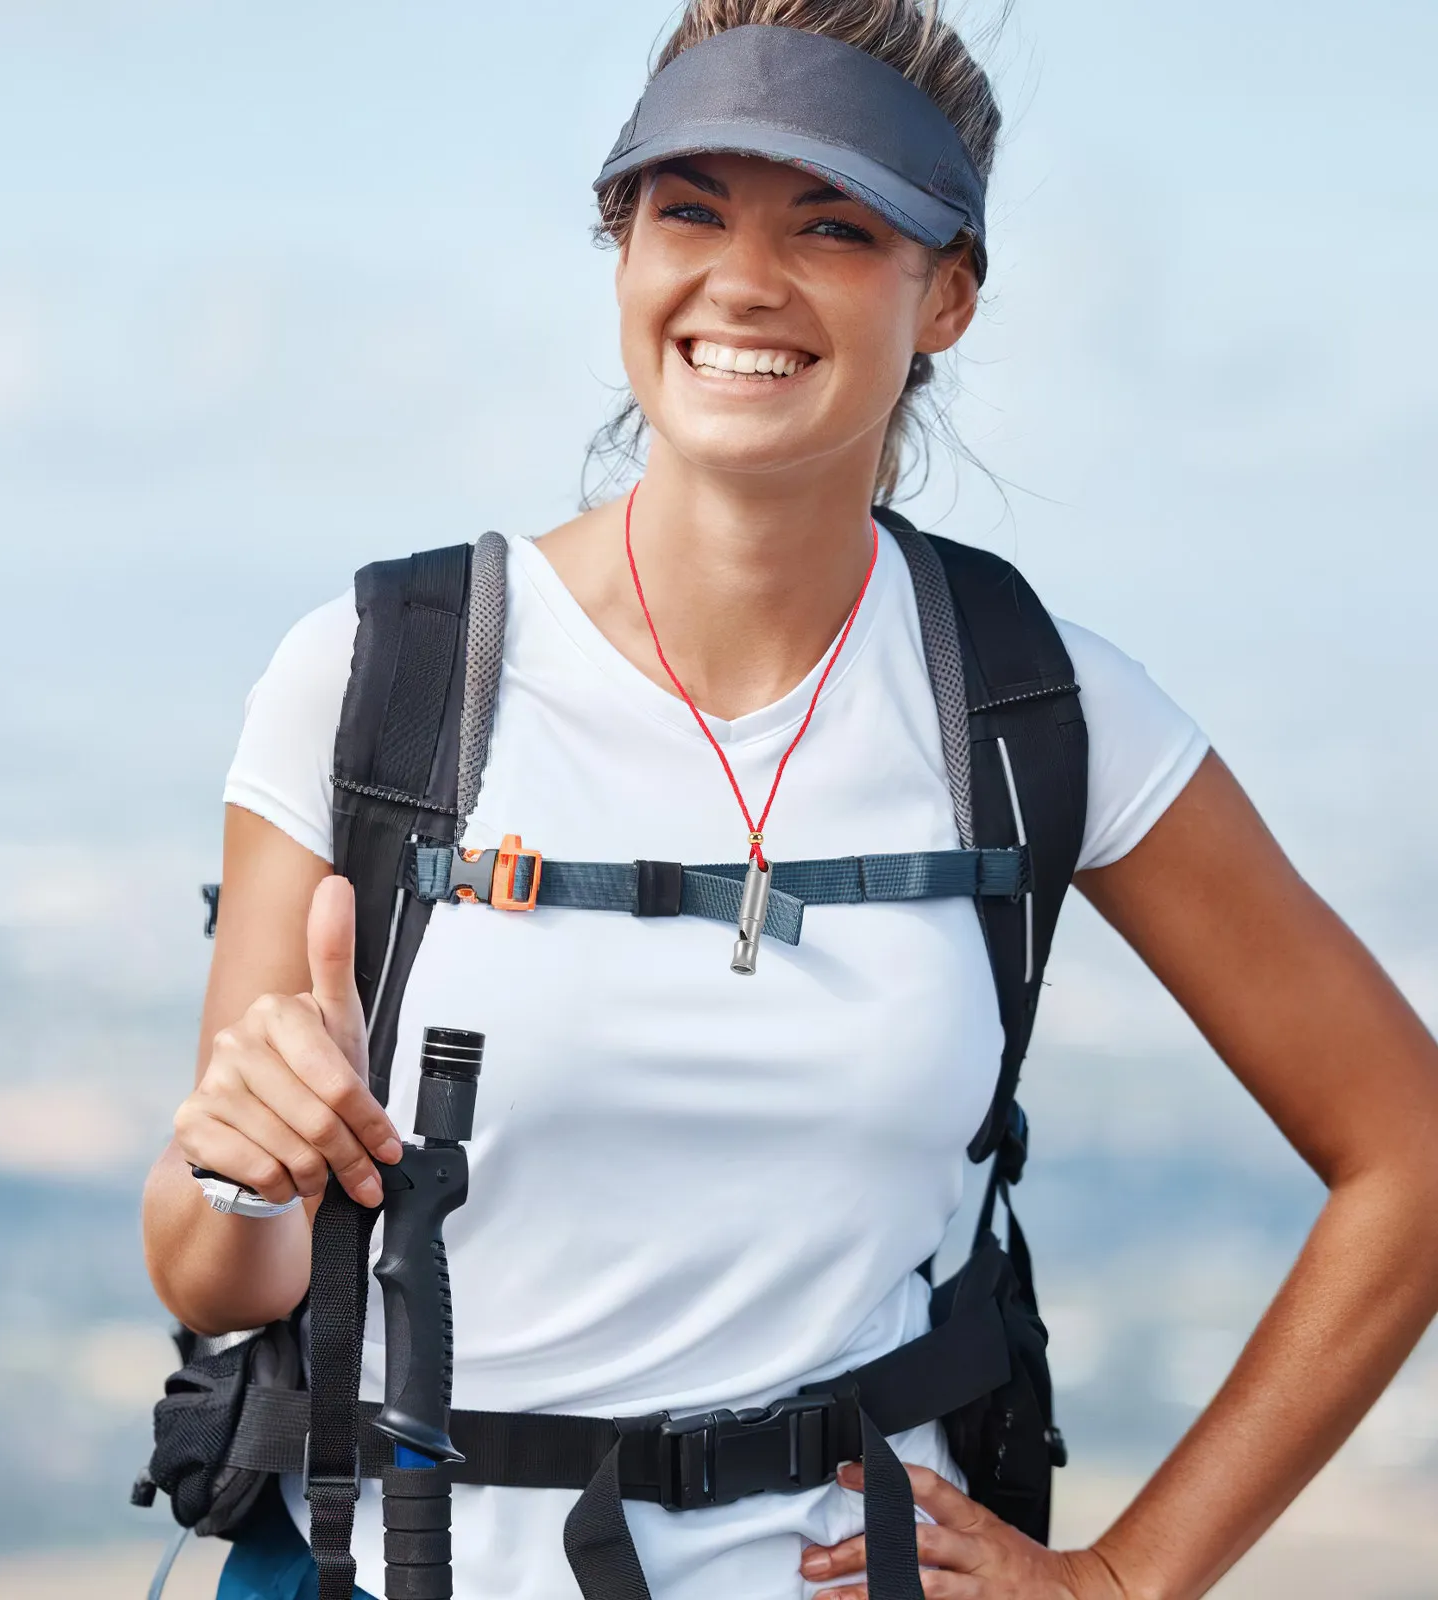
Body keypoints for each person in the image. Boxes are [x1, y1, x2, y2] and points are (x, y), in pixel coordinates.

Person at [140, 3, 1438, 1597]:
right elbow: (209, 1274)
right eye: (688, 209)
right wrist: (240, 1166)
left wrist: (1125, 1579)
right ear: (620, 251)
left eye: (834, 225)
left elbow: (1412, 1152)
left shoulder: (1032, 703)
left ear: (945, 294)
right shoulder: (384, 674)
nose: (743, 281)